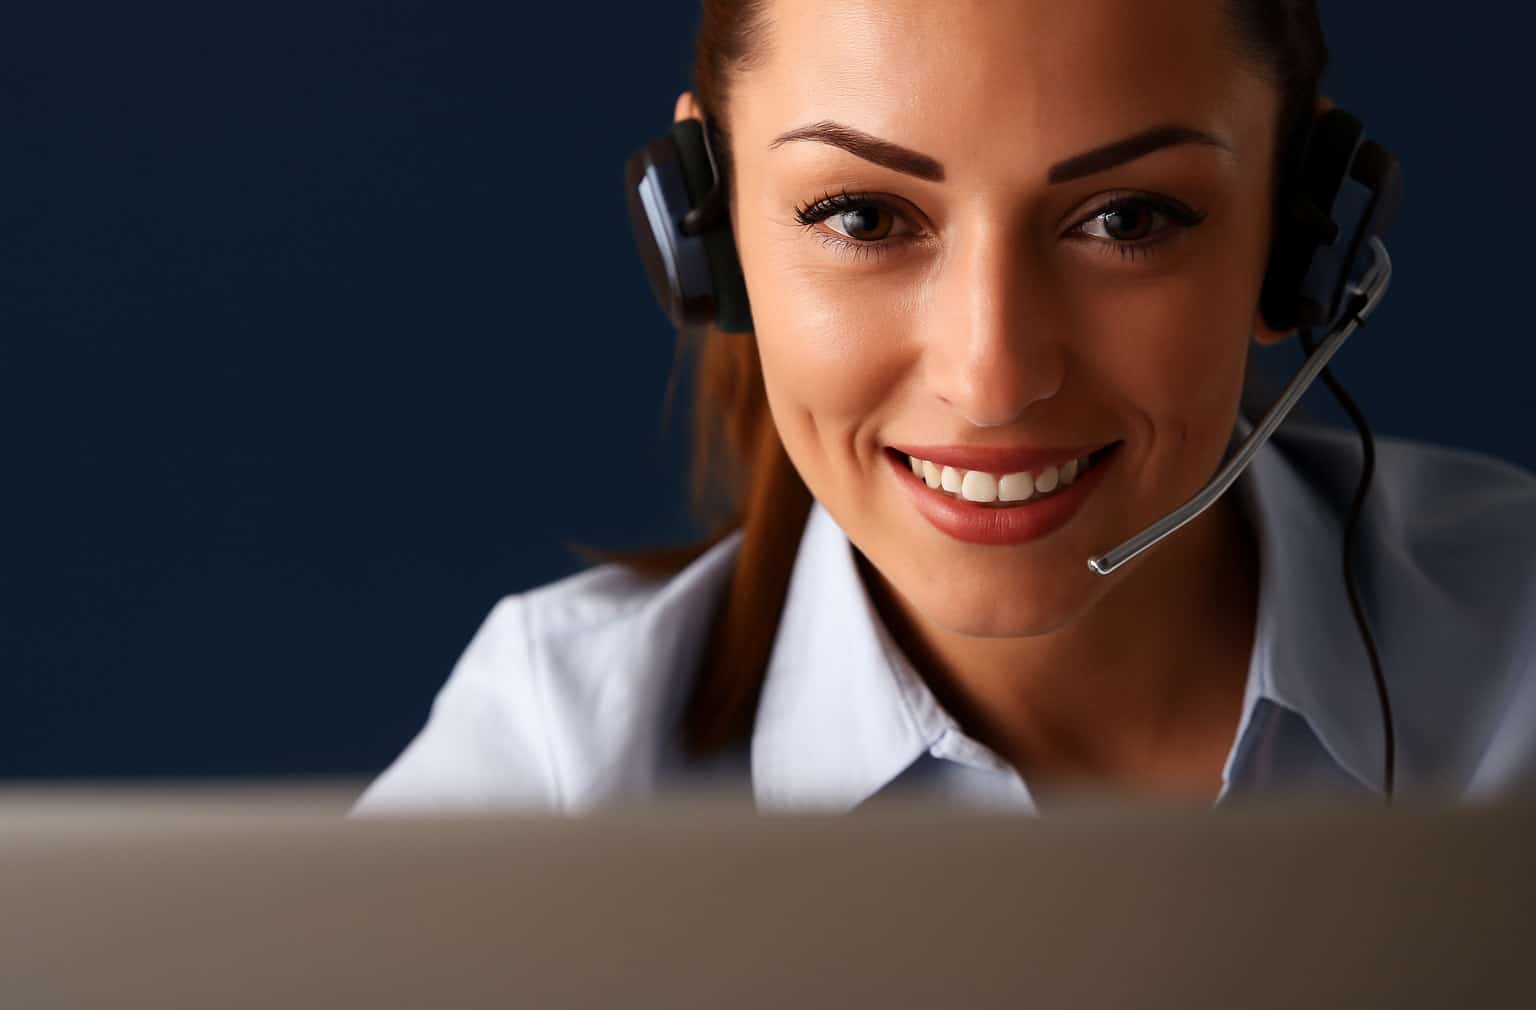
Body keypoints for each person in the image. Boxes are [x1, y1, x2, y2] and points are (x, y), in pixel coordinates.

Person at [354, 0, 1536, 816]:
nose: (992, 376)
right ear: (705, 237)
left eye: (1126, 219)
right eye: (862, 218)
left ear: (1301, 237)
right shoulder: (563, 758)